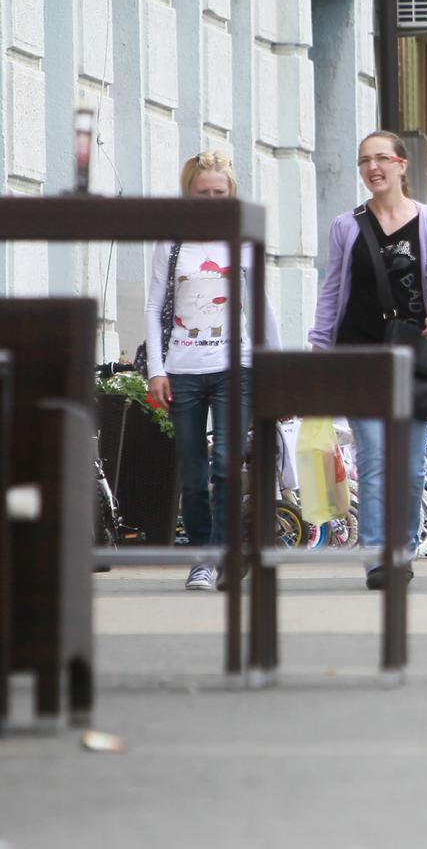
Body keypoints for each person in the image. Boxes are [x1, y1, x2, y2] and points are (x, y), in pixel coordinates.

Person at [308, 131, 427, 590]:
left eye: (381, 158)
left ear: (401, 165)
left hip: (414, 356)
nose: (373, 167)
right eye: (364, 161)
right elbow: (333, 291)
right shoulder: (346, 226)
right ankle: (376, 559)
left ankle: (402, 551)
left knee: (409, 468)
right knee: (373, 460)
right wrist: (319, 349)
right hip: (360, 354)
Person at [145, 151, 280, 592]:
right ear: (189, 194)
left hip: (234, 367)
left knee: (226, 462)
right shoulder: (173, 243)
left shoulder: (242, 241)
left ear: (231, 194)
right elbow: (154, 307)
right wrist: (156, 370)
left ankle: (222, 554)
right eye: (202, 193)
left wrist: (276, 367)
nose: (211, 200)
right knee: (192, 469)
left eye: (219, 193)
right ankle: (201, 554)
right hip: (182, 368)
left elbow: (261, 306)